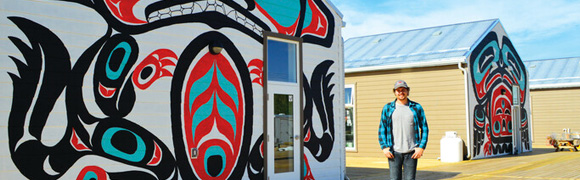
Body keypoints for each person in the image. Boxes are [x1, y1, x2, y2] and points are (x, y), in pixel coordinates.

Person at [378, 80, 429, 180]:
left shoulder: (416, 107)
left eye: (403, 90)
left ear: (408, 91)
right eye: (398, 90)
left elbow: (424, 128)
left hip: (411, 152)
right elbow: (382, 128)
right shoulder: (388, 108)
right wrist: (384, 147)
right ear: (395, 92)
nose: (401, 92)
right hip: (393, 152)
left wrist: (421, 147)